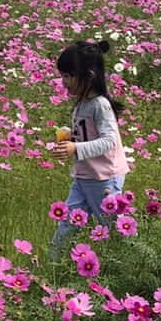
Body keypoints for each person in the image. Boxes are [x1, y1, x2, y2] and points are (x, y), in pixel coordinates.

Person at [50, 40, 128, 253]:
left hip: (103, 178)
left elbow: (109, 141)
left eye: (68, 76)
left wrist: (76, 148)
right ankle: (53, 263)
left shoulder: (100, 105)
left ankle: (125, 266)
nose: (63, 82)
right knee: (68, 222)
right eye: (62, 75)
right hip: (84, 176)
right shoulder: (82, 103)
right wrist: (71, 141)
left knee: (112, 227)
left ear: (90, 76)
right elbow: (88, 134)